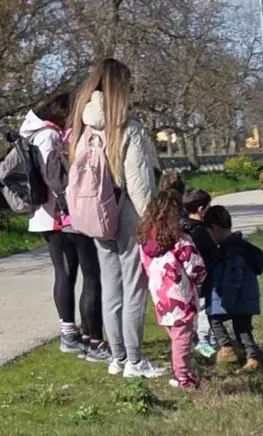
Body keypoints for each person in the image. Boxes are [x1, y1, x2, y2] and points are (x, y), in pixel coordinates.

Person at [69, 58, 162, 378]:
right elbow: (137, 182)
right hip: (126, 212)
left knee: (110, 287)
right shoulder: (127, 126)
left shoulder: (83, 126)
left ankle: (117, 357)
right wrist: (154, 220)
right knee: (134, 288)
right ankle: (135, 360)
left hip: (94, 213)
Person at [24, 92, 112, 363]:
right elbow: (56, 178)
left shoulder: (33, 132)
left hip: (48, 215)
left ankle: (72, 333)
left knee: (68, 274)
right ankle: (77, 335)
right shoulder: (49, 136)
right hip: (58, 215)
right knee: (72, 274)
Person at [138, 191, 207, 389]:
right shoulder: (180, 240)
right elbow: (195, 266)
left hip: (160, 295)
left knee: (175, 334)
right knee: (183, 337)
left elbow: (145, 266)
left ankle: (181, 370)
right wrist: (202, 278)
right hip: (179, 295)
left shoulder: (146, 241)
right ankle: (181, 376)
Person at [204, 206, 263, 371]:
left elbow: (233, 276)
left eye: (209, 232)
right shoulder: (241, 245)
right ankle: (252, 357)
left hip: (234, 296)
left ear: (215, 229)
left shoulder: (230, 250)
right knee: (243, 328)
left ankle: (227, 349)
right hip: (246, 298)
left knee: (214, 318)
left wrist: (228, 300)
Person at [180, 189, 216, 358]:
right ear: (202, 209)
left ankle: (195, 339)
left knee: (191, 311)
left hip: (185, 278)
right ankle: (204, 342)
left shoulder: (181, 227)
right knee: (204, 311)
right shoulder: (200, 232)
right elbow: (209, 254)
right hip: (202, 279)